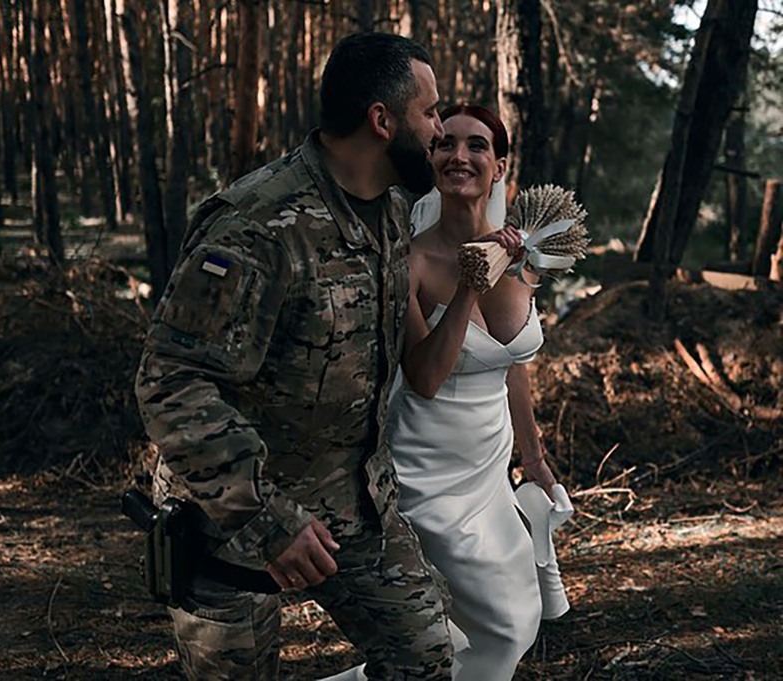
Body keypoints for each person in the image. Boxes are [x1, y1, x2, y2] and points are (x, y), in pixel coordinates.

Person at [135, 33, 454, 680]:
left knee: (424, 658)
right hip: (233, 520)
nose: (441, 130)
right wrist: (270, 519)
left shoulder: (392, 212)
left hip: (356, 505)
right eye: (431, 113)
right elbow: (171, 381)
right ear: (381, 120)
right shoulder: (258, 224)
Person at [389, 104, 559, 680]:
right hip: (426, 469)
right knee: (494, 624)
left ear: (499, 166)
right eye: (446, 144)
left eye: (477, 146)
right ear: (432, 159)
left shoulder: (522, 257)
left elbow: (511, 363)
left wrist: (532, 458)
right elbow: (425, 377)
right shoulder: (410, 262)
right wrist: (468, 287)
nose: (459, 155)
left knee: (517, 619)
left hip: (490, 467)